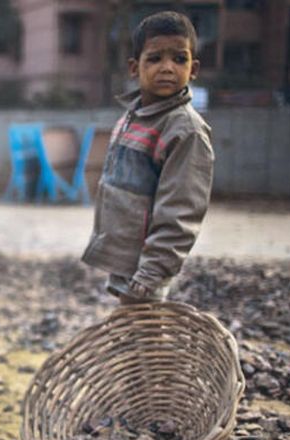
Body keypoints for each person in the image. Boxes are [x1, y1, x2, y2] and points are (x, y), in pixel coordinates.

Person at [81, 11, 215, 304]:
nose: (167, 68)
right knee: (134, 335)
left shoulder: (185, 131)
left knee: (147, 336)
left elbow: (180, 211)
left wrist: (152, 272)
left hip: (147, 266)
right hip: (126, 259)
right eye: (155, 58)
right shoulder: (136, 116)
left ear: (193, 69)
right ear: (134, 67)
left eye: (179, 59)